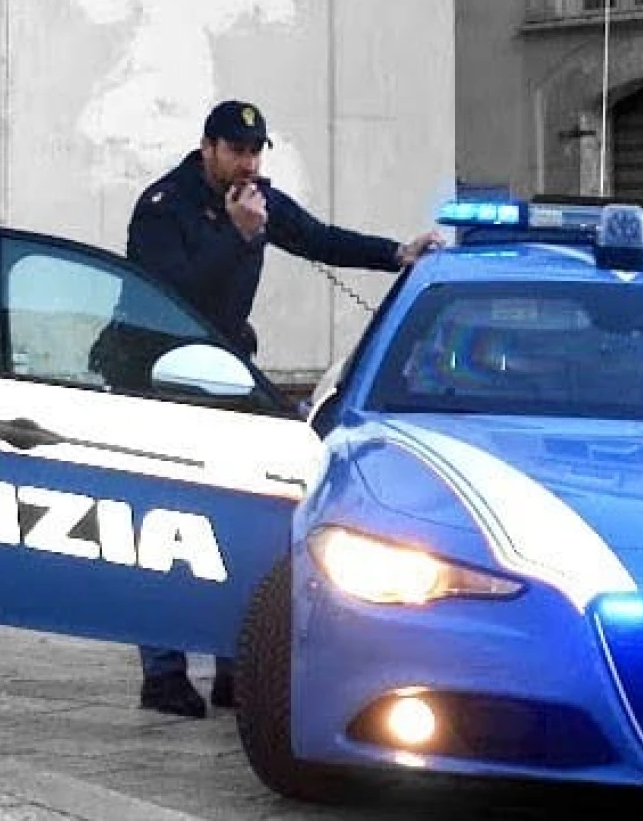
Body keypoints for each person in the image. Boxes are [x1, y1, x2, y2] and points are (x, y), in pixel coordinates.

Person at [122, 98, 443, 718]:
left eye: (255, 151)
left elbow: (316, 237)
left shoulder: (257, 198)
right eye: (236, 151)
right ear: (207, 148)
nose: (247, 162)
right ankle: (162, 674)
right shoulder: (165, 206)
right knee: (167, 524)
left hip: (228, 377)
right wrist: (238, 238)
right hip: (162, 375)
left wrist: (396, 254)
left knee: (239, 520)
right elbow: (174, 296)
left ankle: (233, 666)